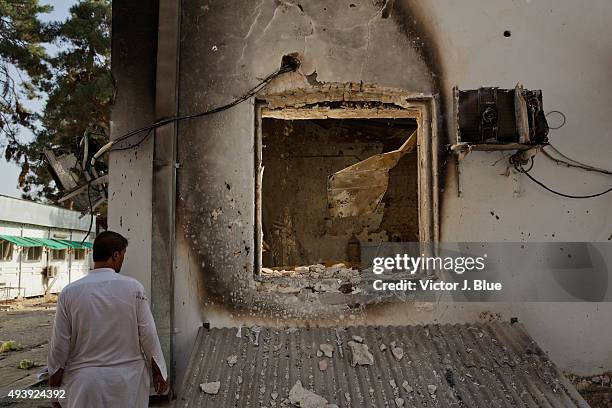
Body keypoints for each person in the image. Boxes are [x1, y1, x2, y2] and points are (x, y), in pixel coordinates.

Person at [47, 231, 168, 407]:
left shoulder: (69, 292)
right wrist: (160, 372)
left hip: (85, 384)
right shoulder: (133, 289)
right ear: (116, 255)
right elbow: (148, 334)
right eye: (123, 255)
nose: (122, 260)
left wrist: (54, 387)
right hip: (128, 383)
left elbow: (59, 344)